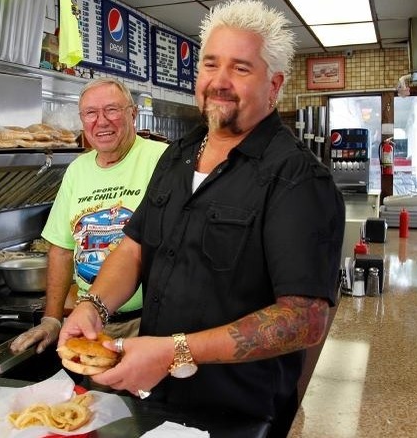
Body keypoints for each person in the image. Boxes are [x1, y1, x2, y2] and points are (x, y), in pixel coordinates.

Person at [57, 1, 345, 437]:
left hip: (238, 414)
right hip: (155, 400)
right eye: (211, 64)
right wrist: (92, 305)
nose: (219, 81)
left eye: (241, 68)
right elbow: (135, 246)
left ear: (275, 85)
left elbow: (303, 318)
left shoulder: (298, 178)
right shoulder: (176, 157)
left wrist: (173, 351)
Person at [10, 78, 168, 355]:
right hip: (91, 325)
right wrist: (52, 318)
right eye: (91, 113)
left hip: (151, 323)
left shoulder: (163, 159)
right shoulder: (77, 170)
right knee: (97, 397)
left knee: (148, 398)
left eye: (112, 110)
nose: (101, 121)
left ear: (132, 113)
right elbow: (60, 249)